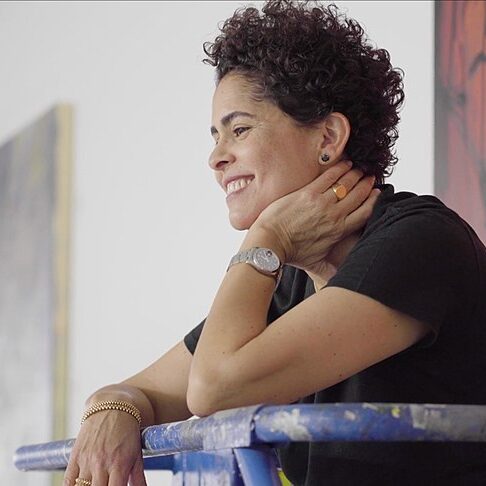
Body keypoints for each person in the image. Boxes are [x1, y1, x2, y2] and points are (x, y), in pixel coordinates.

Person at [64, 1, 486, 485]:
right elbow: (145, 391)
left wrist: (268, 237)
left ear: (328, 136)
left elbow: (213, 389)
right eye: (215, 136)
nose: (216, 158)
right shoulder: (290, 283)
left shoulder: (420, 242)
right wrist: (110, 408)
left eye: (238, 129)